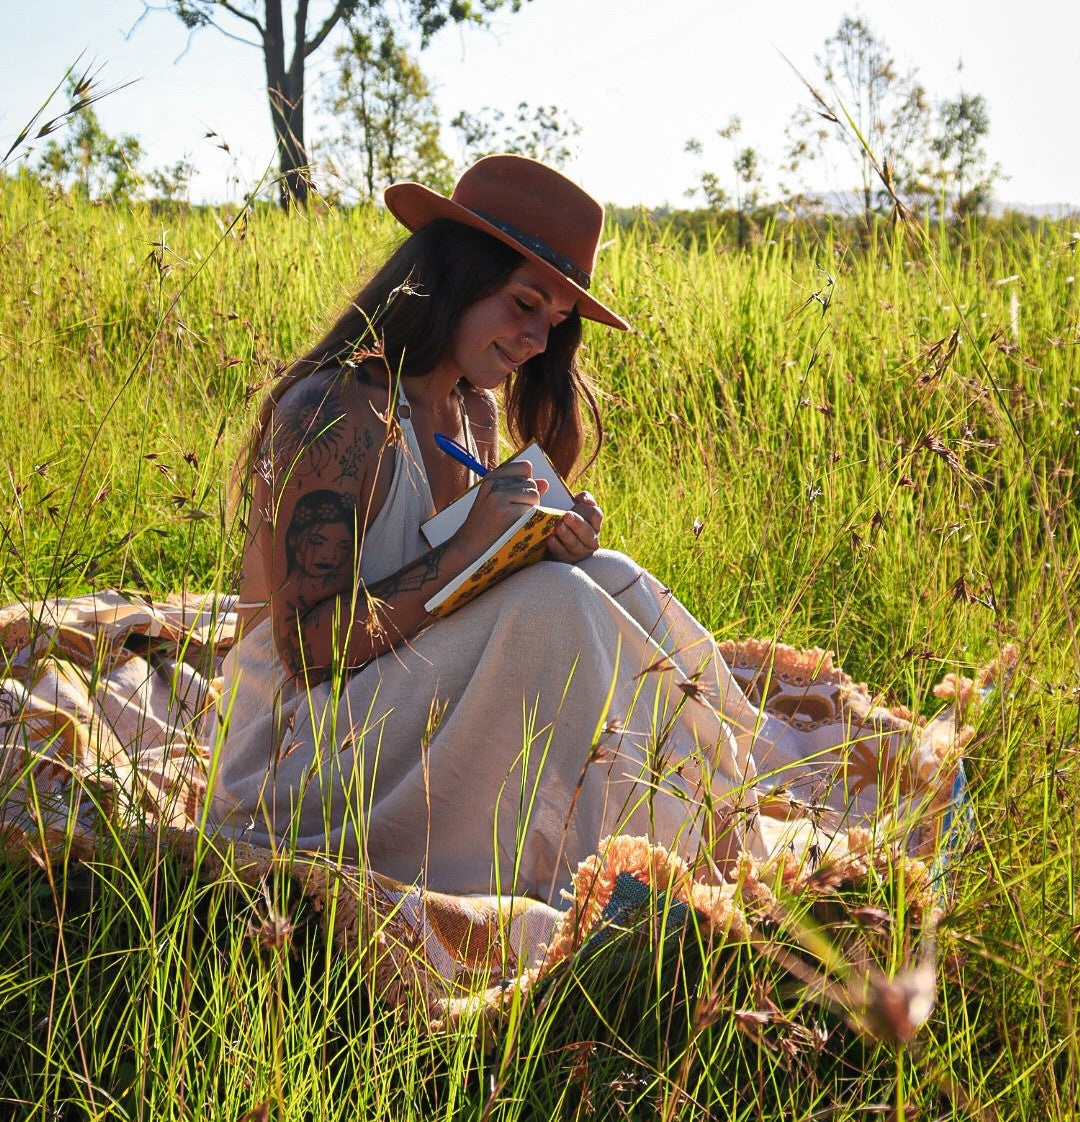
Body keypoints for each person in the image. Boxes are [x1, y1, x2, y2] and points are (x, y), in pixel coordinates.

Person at [206, 156, 900, 905]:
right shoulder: (333, 413)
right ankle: (628, 864)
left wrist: (529, 547)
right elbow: (309, 648)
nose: (538, 339)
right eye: (524, 303)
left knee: (604, 578)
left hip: (392, 705)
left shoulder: (470, 411)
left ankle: (730, 801)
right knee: (557, 610)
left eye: (557, 321)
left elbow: (455, 598)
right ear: (453, 276)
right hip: (296, 754)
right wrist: (476, 550)